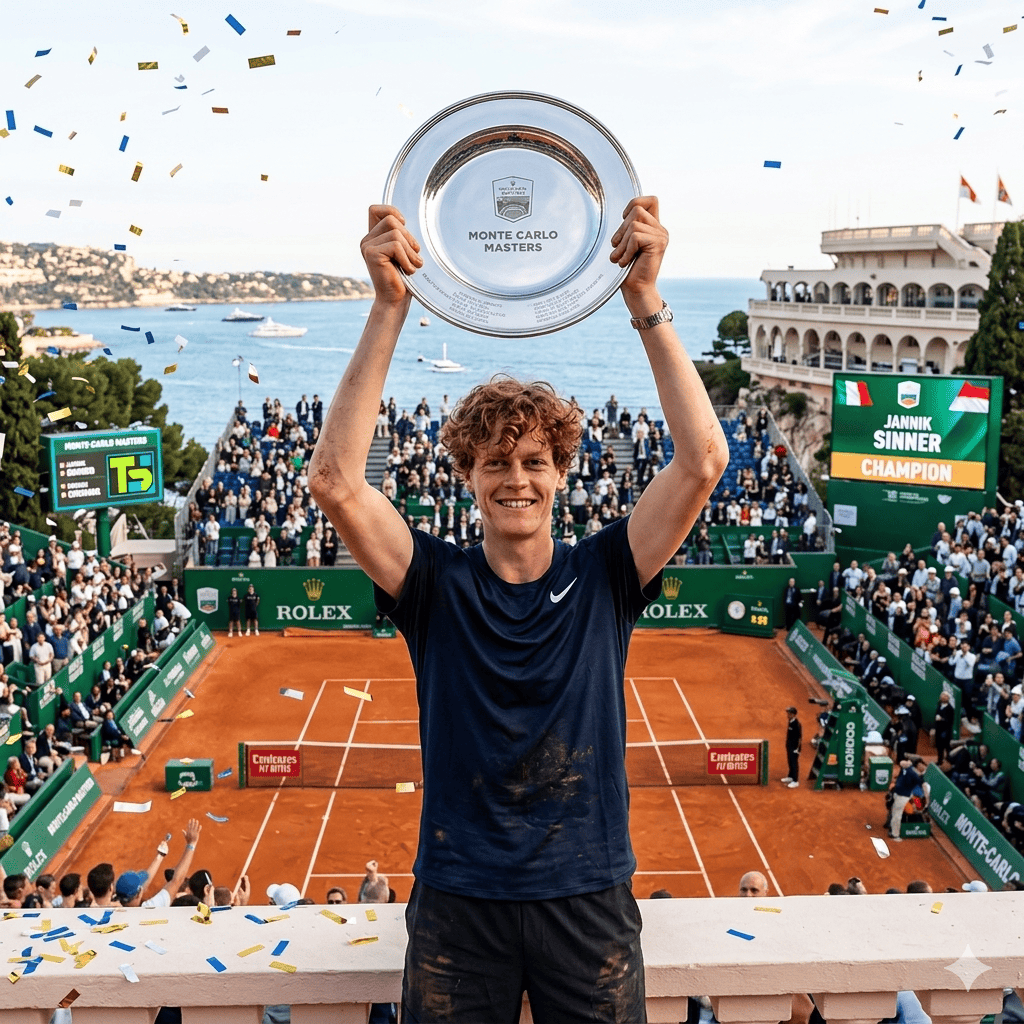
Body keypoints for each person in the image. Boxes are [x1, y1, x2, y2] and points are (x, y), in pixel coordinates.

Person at [308, 198, 729, 1022]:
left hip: (589, 901)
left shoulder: (610, 573)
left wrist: (645, 298)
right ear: (467, 473)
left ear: (563, 473)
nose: (517, 478)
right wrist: (389, 304)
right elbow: (335, 483)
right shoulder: (432, 584)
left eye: (536, 460)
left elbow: (703, 459)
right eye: (495, 460)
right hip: (457, 906)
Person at [782, 706, 801, 787]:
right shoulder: (790, 721)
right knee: (790, 761)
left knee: (794, 763)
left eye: (789, 713)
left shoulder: (796, 724)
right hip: (789, 746)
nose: (787, 715)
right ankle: (790, 776)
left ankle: (795, 781)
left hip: (794, 747)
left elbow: (800, 737)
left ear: (793, 714)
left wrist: (798, 749)